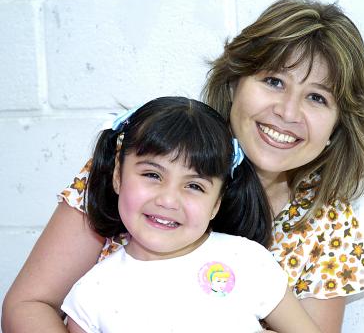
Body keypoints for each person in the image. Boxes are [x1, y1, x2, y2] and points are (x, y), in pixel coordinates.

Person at [1, 0, 364, 333]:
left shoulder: (327, 225)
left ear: (337, 125)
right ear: (235, 83)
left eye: (316, 97)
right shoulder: (141, 161)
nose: (287, 112)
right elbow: (27, 306)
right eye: (274, 81)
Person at [61, 96, 320, 333]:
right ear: (118, 175)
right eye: (152, 175)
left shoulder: (247, 260)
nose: (168, 200)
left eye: (194, 186)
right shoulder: (90, 297)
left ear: (217, 202)